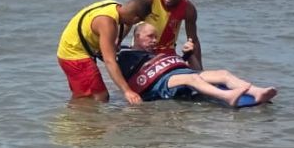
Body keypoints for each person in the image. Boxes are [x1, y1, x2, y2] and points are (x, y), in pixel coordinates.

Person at [116, 23, 277, 106]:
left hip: (174, 75)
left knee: (223, 74)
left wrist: (189, 54)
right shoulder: (123, 53)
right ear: (137, 36)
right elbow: (107, 49)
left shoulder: (156, 53)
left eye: (155, 37)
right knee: (191, 79)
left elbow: (194, 69)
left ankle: (257, 92)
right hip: (157, 84)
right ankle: (228, 97)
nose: (154, 41)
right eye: (150, 36)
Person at [56, 0, 151, 104]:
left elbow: (127, 24)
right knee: (99, 96)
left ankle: (73, 113)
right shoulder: (107, 23)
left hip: (73, 46)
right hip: (74, 55)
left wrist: (117, 41)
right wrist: (127, 91)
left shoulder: (115, 6)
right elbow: (109, 61)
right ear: (135, 19)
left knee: (83, 94)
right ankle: (76, 114)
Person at [141, 0, 202, 70]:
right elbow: (129, 18)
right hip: (144, 49)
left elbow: (193, 39)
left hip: (167, 53)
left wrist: (199, 68)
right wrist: (118, 41)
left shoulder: (188, 9)